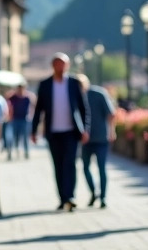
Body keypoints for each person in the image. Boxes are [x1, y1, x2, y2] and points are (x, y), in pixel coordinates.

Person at [31, 52, 90, 211]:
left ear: (67, 65)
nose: (60, 67)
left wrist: (85, 129)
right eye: (57, 63)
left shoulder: (73, 83)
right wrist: (34, 130)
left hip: (71, 131)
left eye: (63, 64)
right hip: (53, 132)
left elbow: (83, 108)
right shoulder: (45, 85)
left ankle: (70, 196)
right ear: (53, 66)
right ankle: (63, 197)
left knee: (70, 163)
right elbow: (39, 109)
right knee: (58, 165)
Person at [76, 73, 115, 208]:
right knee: (85, 168)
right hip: (85, 140)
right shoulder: (76, 96)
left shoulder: (99, 94)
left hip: (100, 138)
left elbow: (111, 114)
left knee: (101, 168)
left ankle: (103, 197)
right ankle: (93, 192)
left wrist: (112, 131)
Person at [7, 84, 32, 159]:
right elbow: (8, 103)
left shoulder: (27, 98)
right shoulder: (13, 97)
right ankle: (10, 153)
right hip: (15, 119)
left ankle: (26, 152)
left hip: (24, 120)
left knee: (25, 137)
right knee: (12, 137)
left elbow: (32, 106)